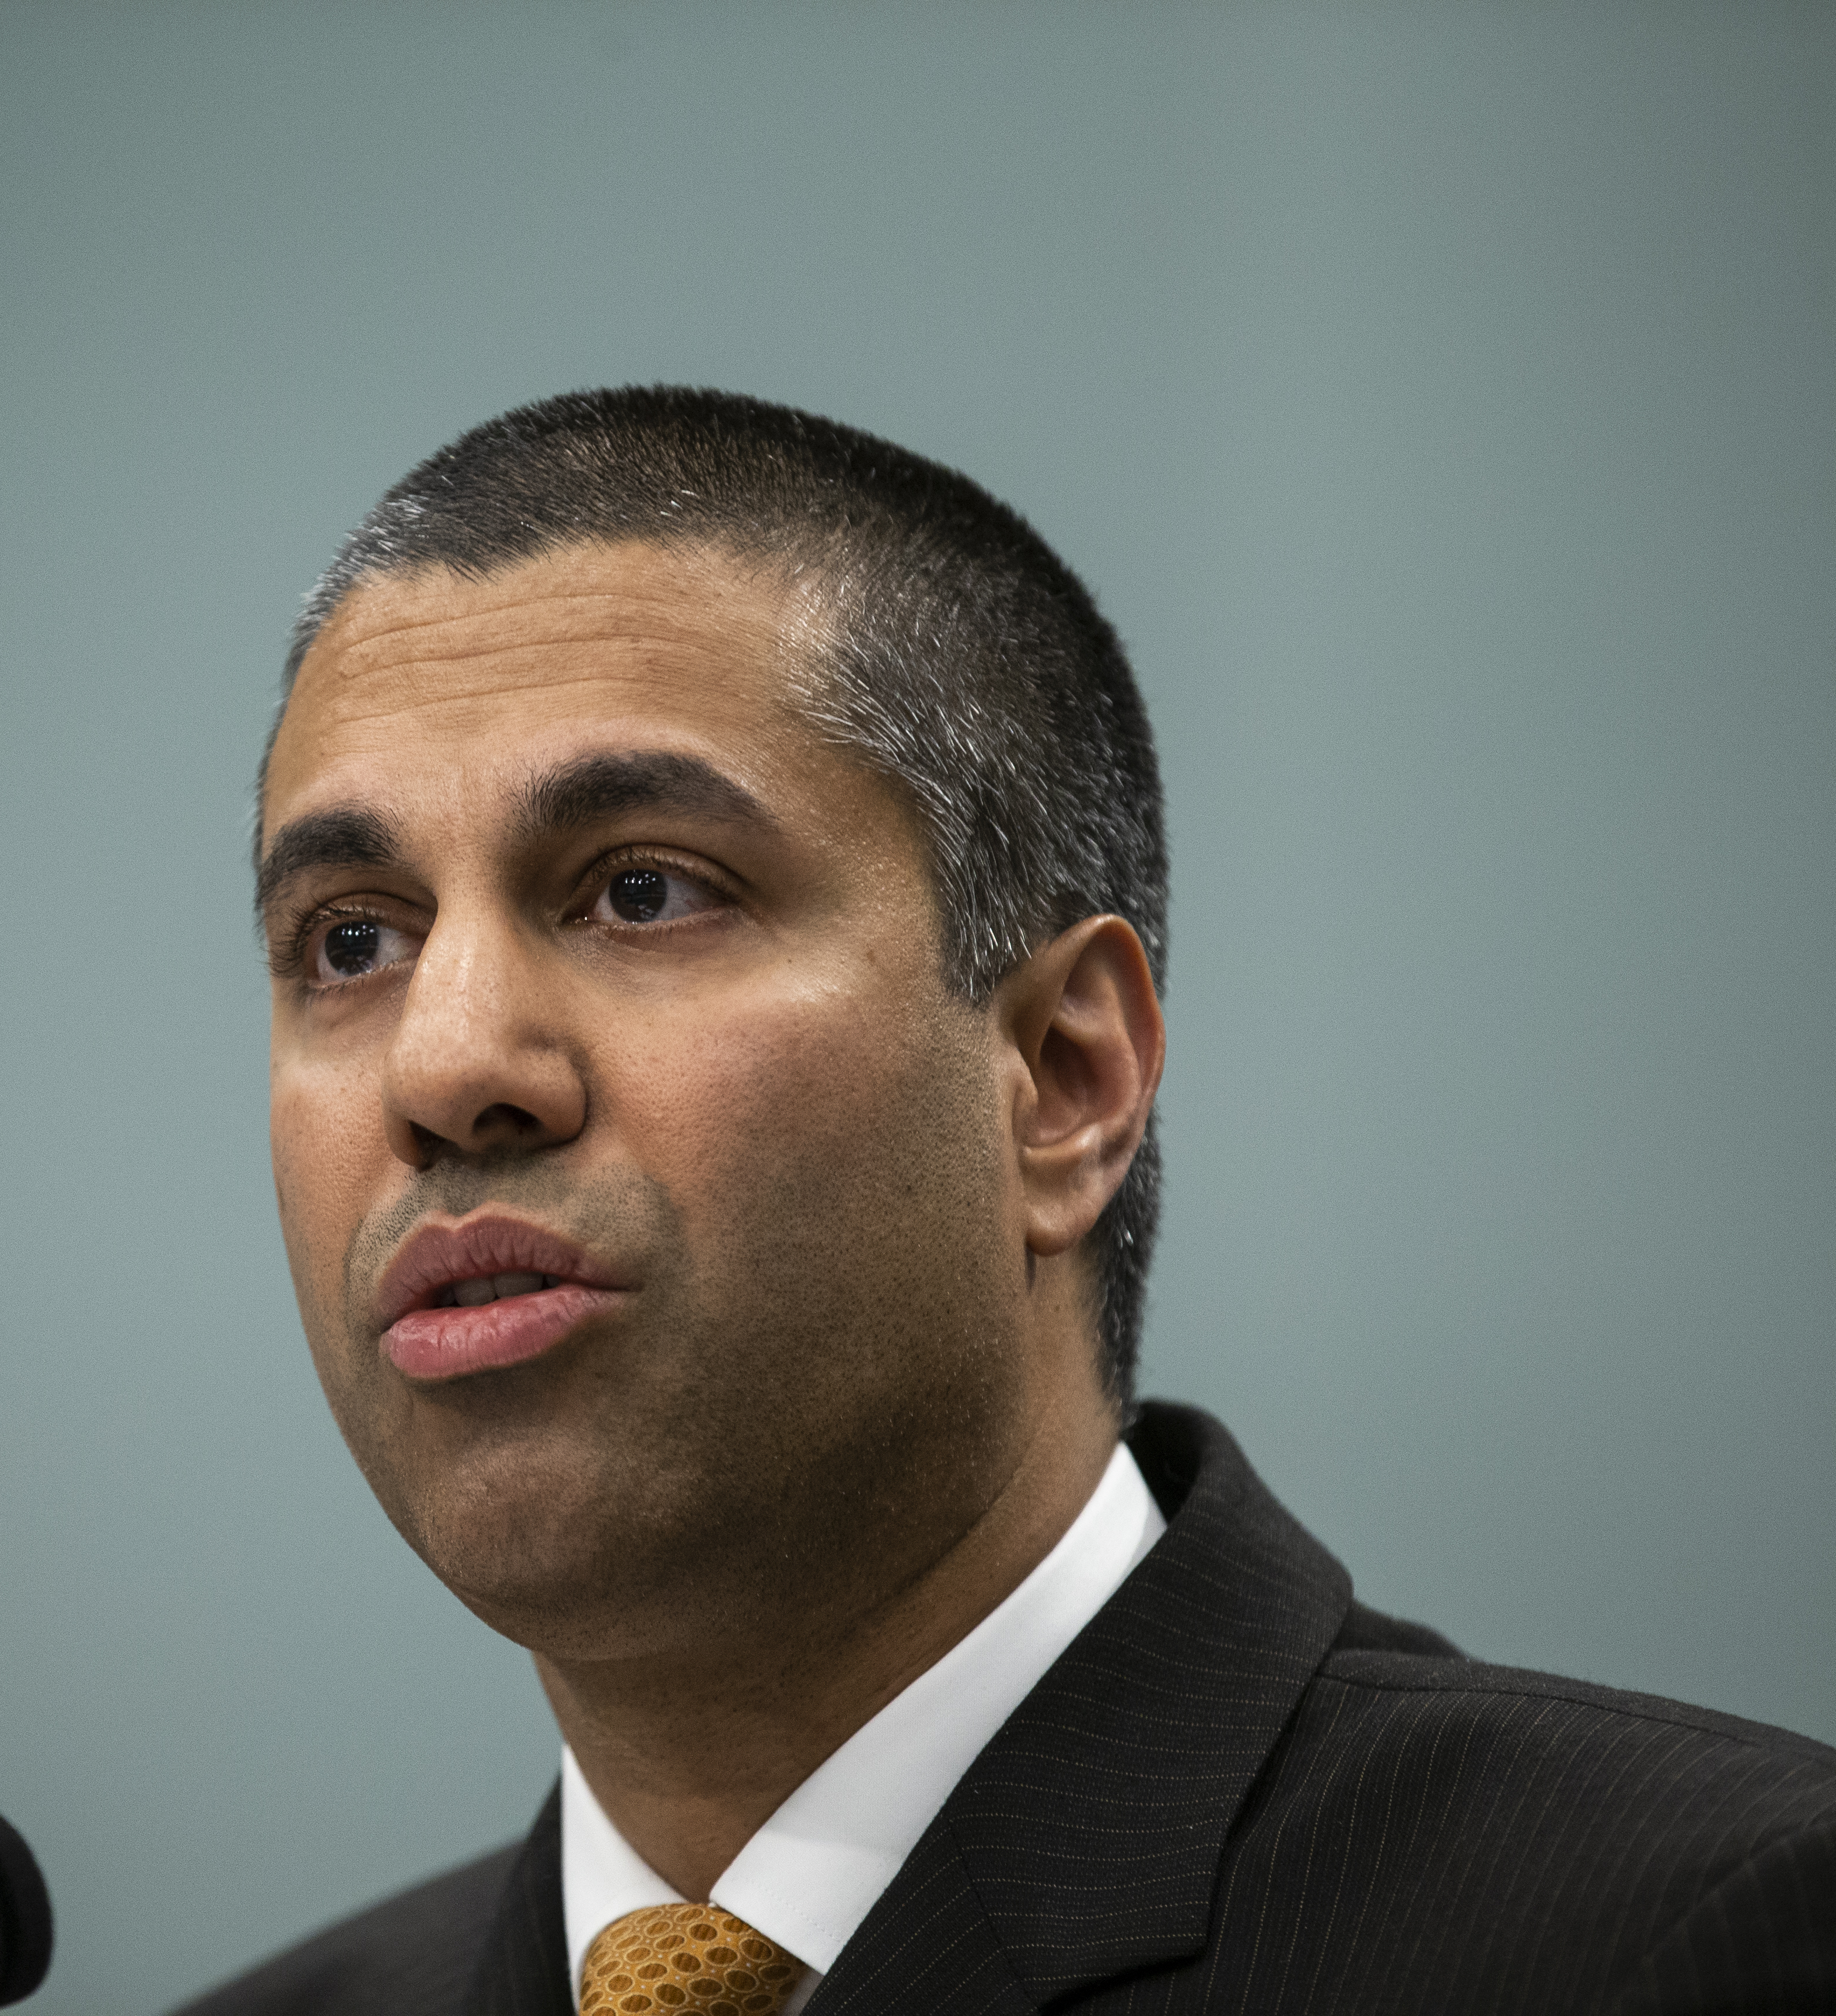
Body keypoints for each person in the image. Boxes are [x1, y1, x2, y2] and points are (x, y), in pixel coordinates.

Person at [181, 388, 1836, 2016]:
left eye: (641, 890)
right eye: (351, 940)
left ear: (1061, 1078)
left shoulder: (1694, 1938)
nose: (447, 1061)